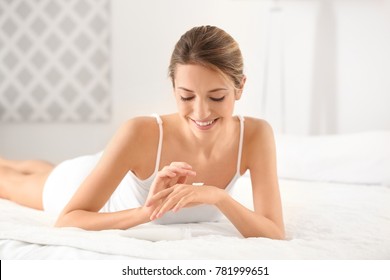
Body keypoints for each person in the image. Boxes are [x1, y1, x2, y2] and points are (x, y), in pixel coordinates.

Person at [0, 26, 284, 239]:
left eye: (217, 98)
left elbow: (274, 230)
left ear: (240, 87)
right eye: (186, 97)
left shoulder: (256, 135)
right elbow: (68, 219)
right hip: (76, 182)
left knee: (37, 168)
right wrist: (145, 214)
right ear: (173, 86)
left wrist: (219, 197)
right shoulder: (140, 131)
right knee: (11, 182)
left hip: (104, 168)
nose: (201, 112)